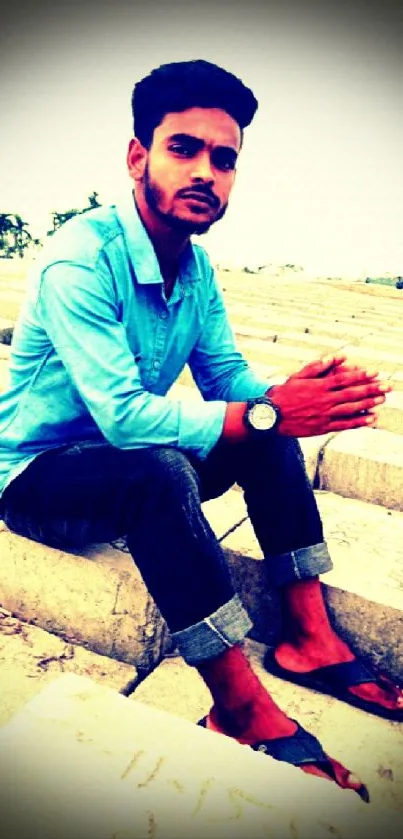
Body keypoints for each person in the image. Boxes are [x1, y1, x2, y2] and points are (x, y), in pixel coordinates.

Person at [0, 59, 401, 801]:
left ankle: (307, 637)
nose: (206, 173)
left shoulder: (200, 269)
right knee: (162, 470)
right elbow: (122, 415)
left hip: (126, 455)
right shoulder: (77, 261)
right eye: (183, 148)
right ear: (136, 156)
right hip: (38, 474)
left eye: (224, 159)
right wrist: (269, 408)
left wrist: (293, 397)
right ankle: (237, 704)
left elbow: (229, 383)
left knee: (263, 426)